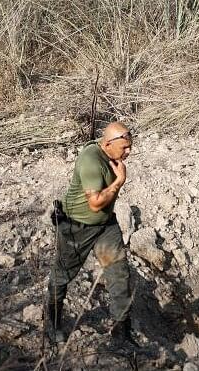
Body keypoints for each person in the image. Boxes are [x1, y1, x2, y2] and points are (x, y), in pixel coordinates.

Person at [45, 121, 137, 347]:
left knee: (119, 276)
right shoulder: (91, 161)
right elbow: (95, 204)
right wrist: (119, 181)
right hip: (78, 228)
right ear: (107, 144)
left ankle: (121, 332)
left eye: (130, 146)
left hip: (105, 226)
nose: (129, 152)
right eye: (124, 148)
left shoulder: (112, 155)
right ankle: (53, 324)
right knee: (62, 275)